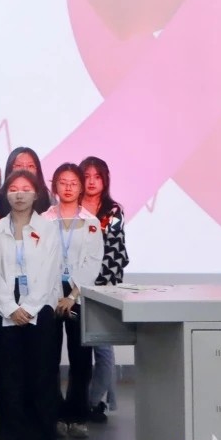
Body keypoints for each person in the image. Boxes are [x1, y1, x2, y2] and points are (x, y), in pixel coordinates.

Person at [0, 170, 62, 440]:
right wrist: (10, 307)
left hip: (40, 312)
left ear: (36, 194)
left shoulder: (48, 229)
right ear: (6, 194)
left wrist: (30, 308)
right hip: (6, 312)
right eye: (13, 189)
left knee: (41, 377)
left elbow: (50, 271)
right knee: (10, 379)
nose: (19, 194)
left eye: (25, 188)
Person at [42, 164, 103, 440]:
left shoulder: (91, 222)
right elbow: (39, 258)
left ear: (80, 188)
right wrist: (55, 292)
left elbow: (93, 262)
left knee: (80, 357)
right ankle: (54, 414)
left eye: (73, 183)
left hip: (78, 293)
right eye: (62, 182)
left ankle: (77, 416)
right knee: (49, 356)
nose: (68, 188)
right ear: (54, 186)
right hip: (48, 291)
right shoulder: (42, 220)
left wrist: (71, 295)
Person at [80, 156, 128, 423]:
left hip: (102, 287)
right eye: (86, 176)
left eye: (96, 176)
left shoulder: (113, 211)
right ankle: (79, 401)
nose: (91, 182)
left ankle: (95, 402)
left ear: (105, 180)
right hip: (73, 289)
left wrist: (99, 283)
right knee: (78, 349)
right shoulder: (72, 208)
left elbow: (116, 251)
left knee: (103, 348)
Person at [5, 148, 51, 214]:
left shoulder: (47, 198)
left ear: (37, 170)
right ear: (10, 168)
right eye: (19, 165)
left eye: (30, 166)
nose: (25, 170)